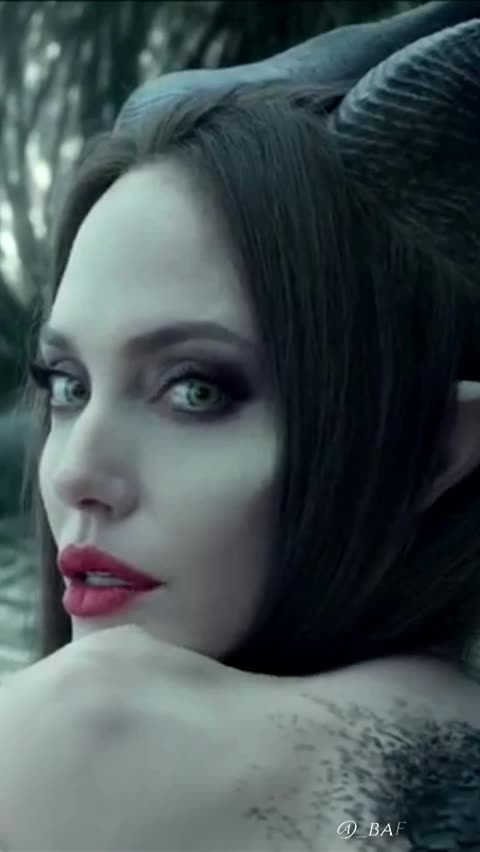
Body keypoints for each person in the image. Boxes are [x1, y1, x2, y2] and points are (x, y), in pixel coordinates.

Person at [1, 79, 479, 851]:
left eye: (196, 390)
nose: (74, 474)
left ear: (434, 449)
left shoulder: (77, 739)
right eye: (67, 386)